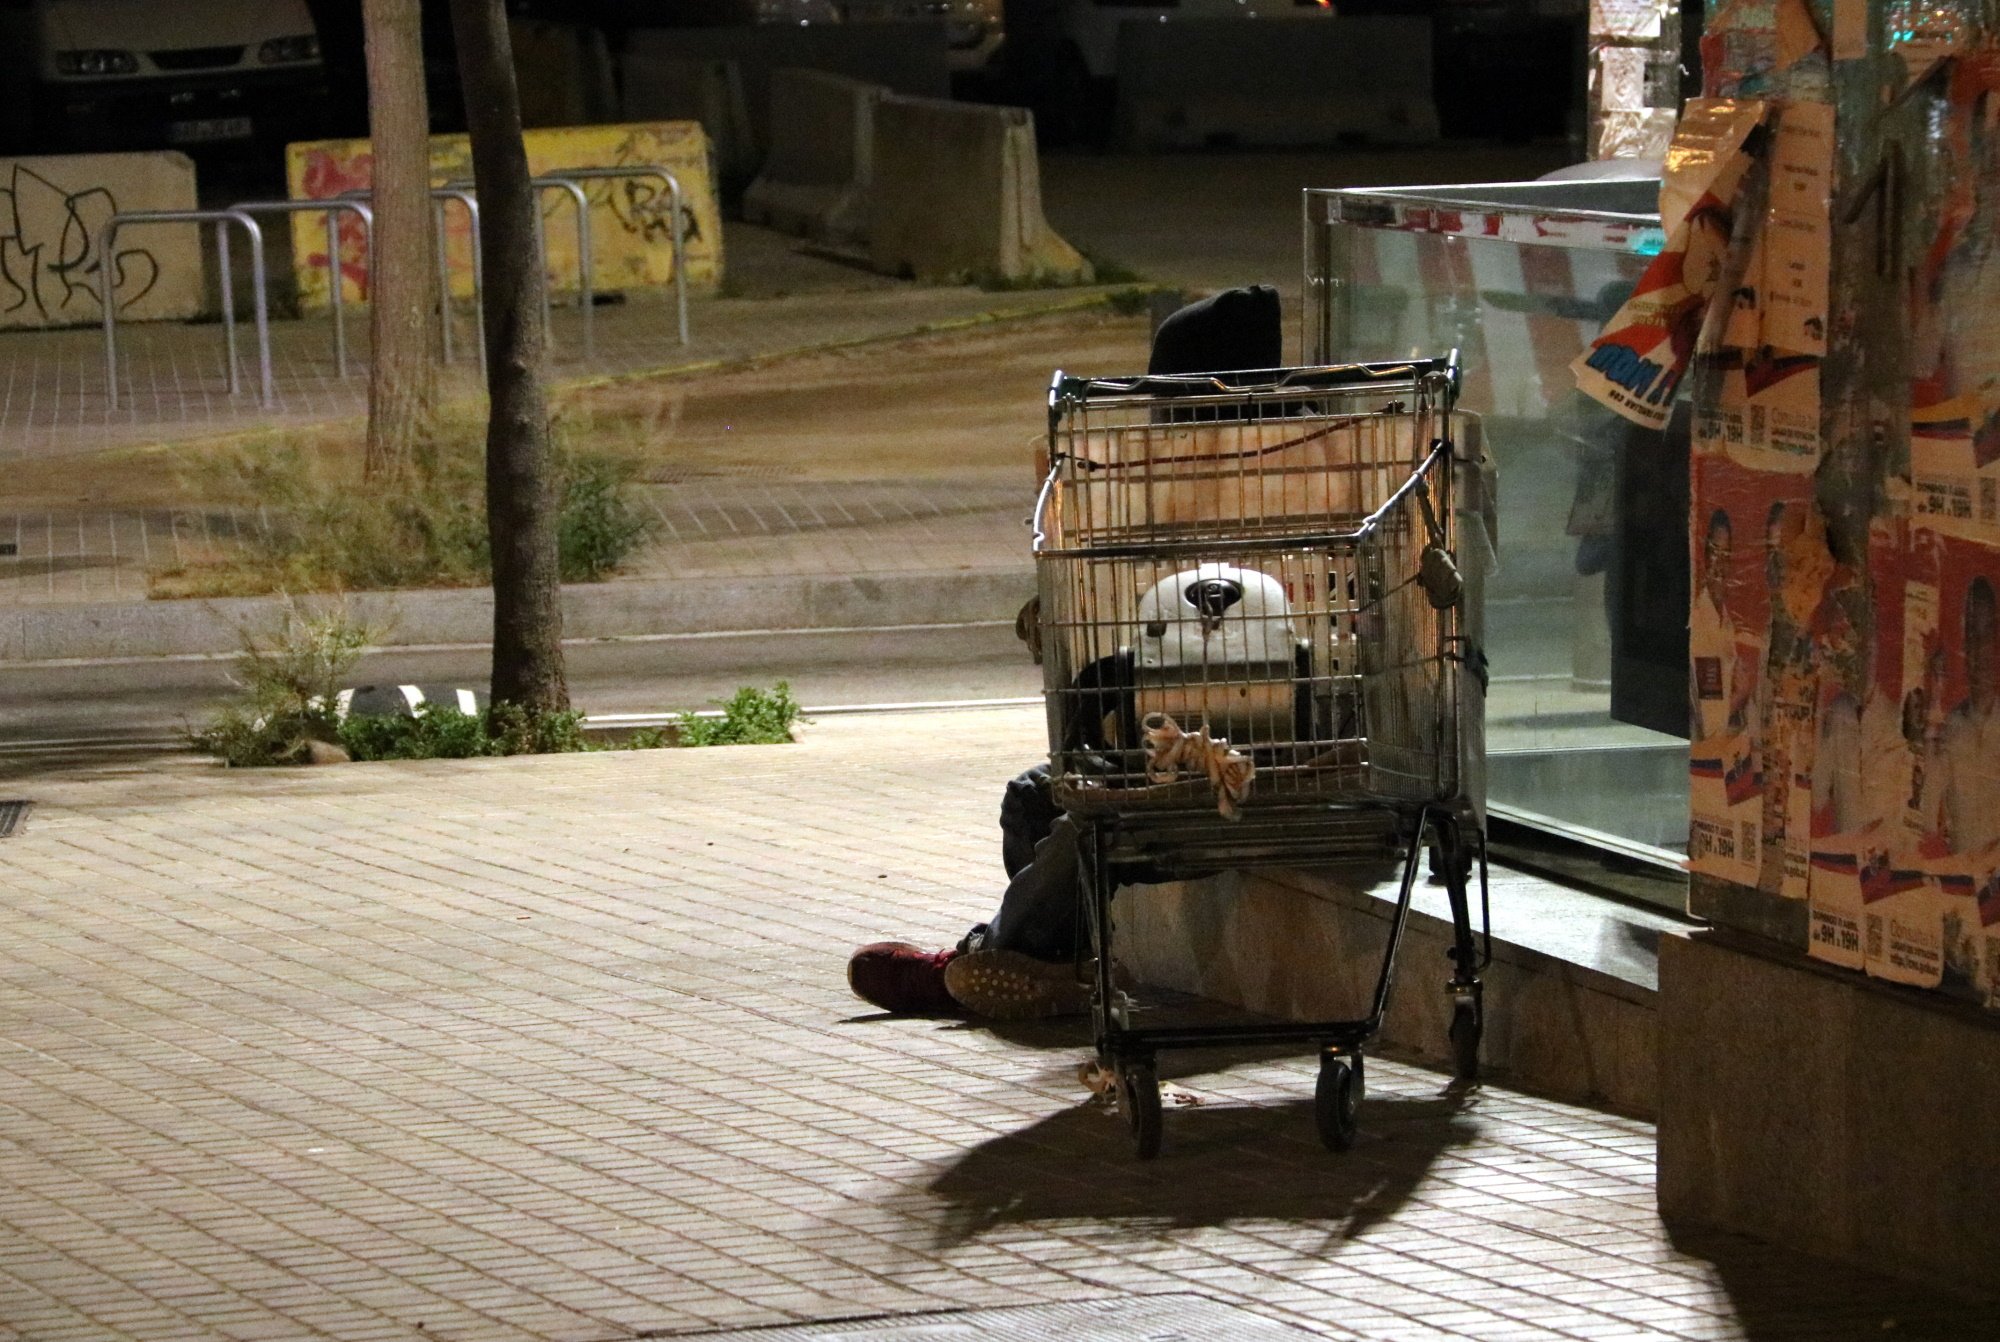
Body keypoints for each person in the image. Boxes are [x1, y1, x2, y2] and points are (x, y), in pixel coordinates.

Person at [847, 286, 1284, 1021]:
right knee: (1032, 793)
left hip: (1257, 750)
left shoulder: (1246, 486)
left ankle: (987, 963)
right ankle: (1047, 962)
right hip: (1197, 730)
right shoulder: (1297, 464)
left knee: (1082, 814)